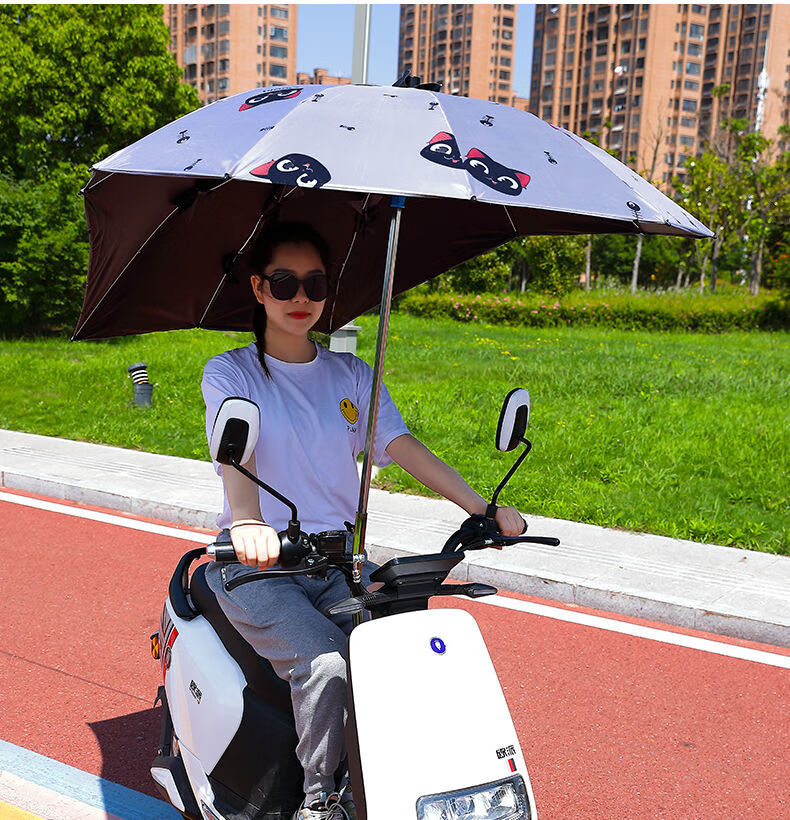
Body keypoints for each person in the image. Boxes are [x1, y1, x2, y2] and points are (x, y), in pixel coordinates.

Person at [202, 222, 525, 820]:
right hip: (257, 565)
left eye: (315, 283)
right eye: (284, 282)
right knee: (326, 662)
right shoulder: (232, 372)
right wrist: (247, 522)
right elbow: (235, 446)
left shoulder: (351, 376)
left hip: (336, 560)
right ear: (258, 287)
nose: (301, 297)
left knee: (405, 647)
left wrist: (482, 508)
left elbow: (401, 445)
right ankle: (319, 803)